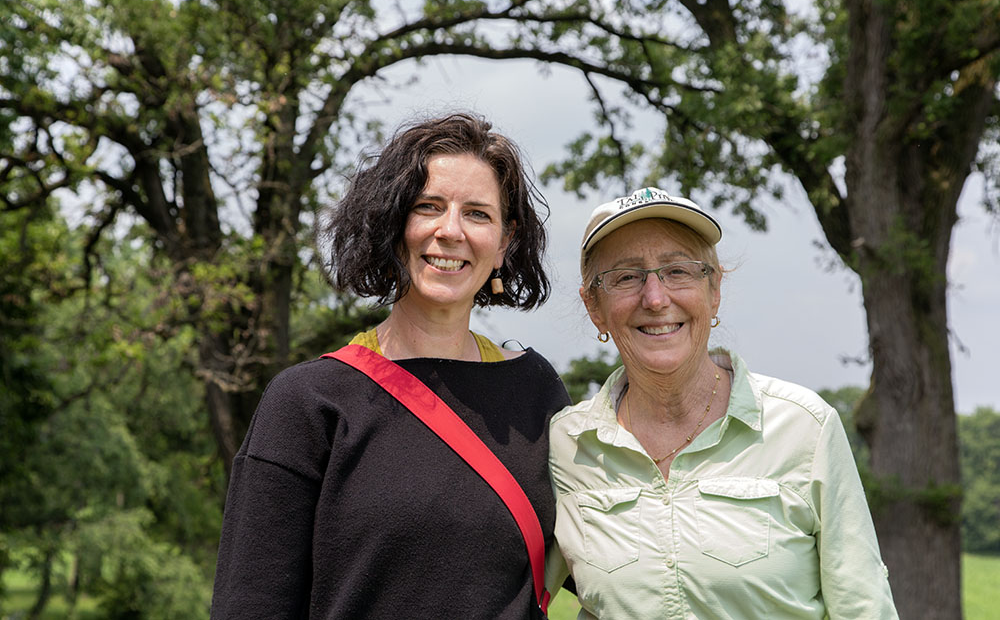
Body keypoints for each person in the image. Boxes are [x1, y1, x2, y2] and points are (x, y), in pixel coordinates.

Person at [210, 112, 570, 619]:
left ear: (504, 244)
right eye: (429, 207)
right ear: (393, 224)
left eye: (478, 214)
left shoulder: (537, 392)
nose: (451, 231)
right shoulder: (308, 402)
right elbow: (251, 605)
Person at [546, 187, 898, 619]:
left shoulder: (803, 428)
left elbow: (863, 606)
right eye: (626, 277)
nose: (655, 298)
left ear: (714, 290)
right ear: (594, 307)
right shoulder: (567, 444)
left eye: (678, 271)